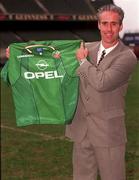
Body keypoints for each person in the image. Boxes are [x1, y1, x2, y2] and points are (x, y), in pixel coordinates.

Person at [65, 4, 138, 180]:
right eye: (104, 23)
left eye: (114, 24)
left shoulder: (127, 56)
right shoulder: (87, 48)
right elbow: (54, 55)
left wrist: (82, 62)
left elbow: (102, 83)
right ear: (98, 25)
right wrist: (18, 55)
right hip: (81, 130)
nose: (109, 28)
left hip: (108, 132)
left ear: (120, 26)